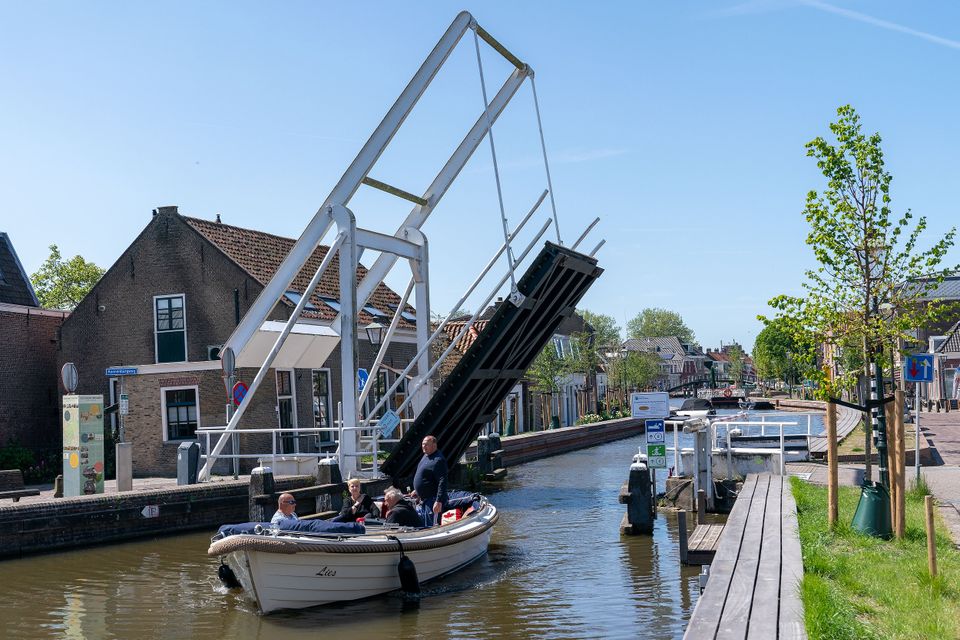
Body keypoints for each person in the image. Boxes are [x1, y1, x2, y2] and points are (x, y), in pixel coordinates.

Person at [412, 435, 448, 527]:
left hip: (432, 500)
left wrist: (439, 501)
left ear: (434, 445)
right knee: (424, 524)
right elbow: (425, 476)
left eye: (426, 444)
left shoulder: (438, 460)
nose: (424, 446)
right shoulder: (425, 456)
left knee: (432, 526)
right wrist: (417, 490)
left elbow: (442, 481)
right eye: (423, 444)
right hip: (423, 499)